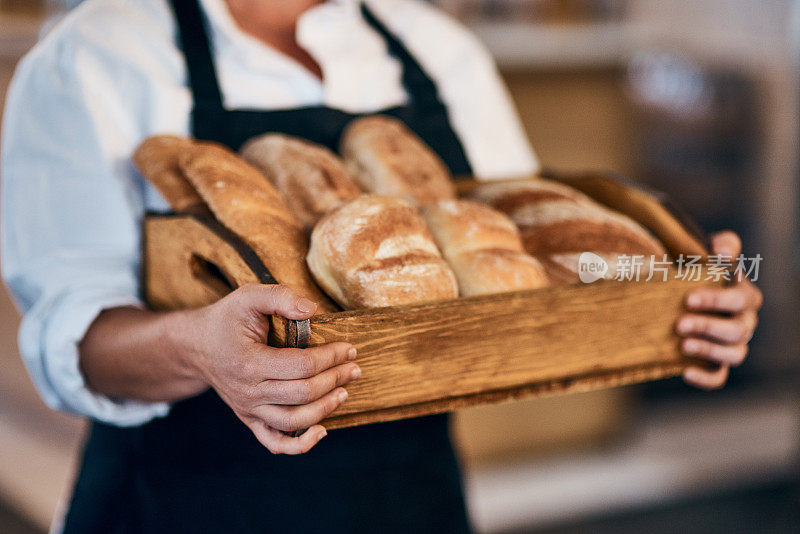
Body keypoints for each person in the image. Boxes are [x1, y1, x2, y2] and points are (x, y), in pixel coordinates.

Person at [0, 0, 763, 532]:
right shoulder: (96, 53)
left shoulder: (434, 43)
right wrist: (202, 346)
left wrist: (670, 295)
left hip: (412, 495)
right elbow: (74, 343)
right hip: (187, 498)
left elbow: (526, 264)